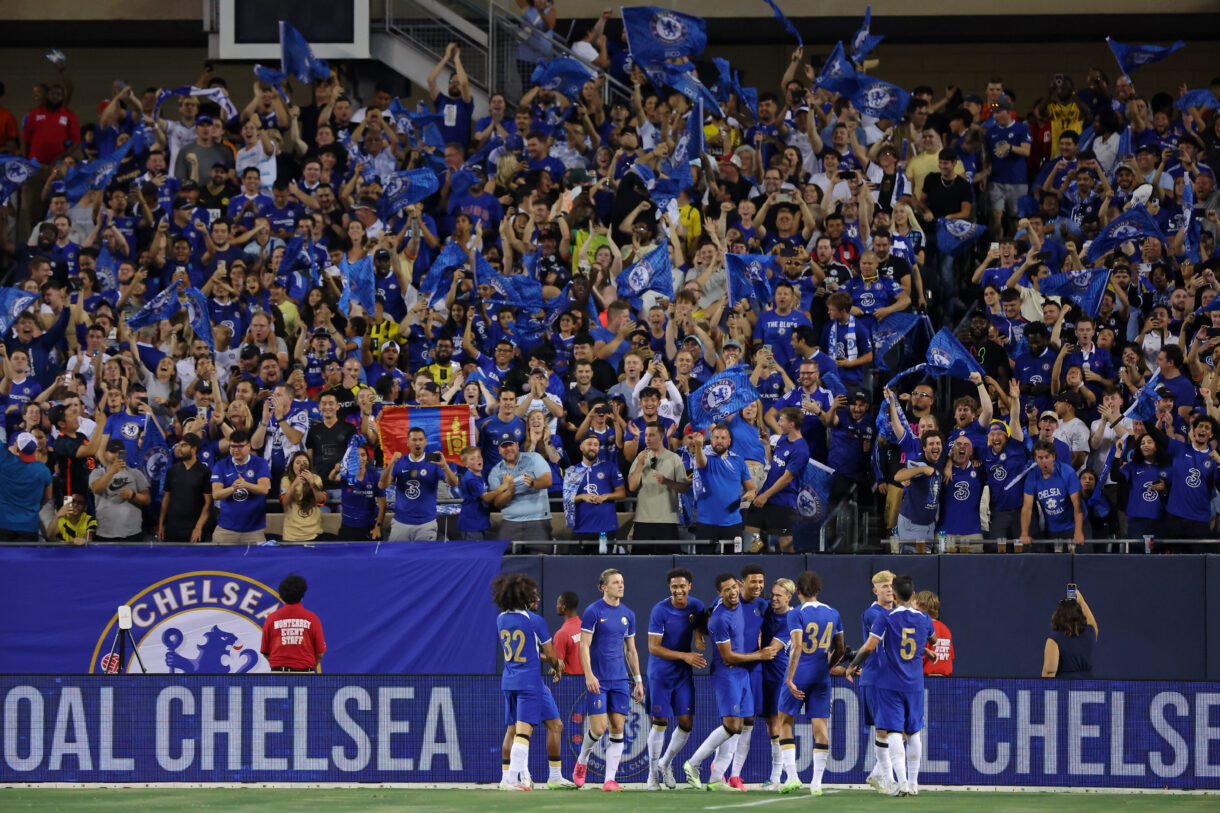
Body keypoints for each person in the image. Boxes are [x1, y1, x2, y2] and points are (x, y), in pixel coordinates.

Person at [683, 572, 776, 791]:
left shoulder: (744, 606)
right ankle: (693, 764)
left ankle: (716, 779)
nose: (732, 592)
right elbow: (728, 657)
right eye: (727, 590)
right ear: (719, 594)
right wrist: (759, 655)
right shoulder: (719, 617)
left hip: (743, 673)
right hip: (727, 674)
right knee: (732, 725)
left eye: (734, 587)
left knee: (740, 726)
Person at [846, 574, 936, 797]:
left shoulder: (886, 617)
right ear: (913, 595)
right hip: (914, 682)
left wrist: (852, 665)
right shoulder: (924, 618)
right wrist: (923, 647)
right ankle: (914, 784)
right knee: (914, 732)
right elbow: (932, 639)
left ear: (894, 595)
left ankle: (902, 781)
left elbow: (869, 646)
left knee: (893, 731)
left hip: (889, 681)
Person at [491, 572, 574, 791]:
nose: (538, 599)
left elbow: (529, 652)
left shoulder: (501, 619)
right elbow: (551, 653)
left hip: (513, 681)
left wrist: (547, 660)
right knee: (522, 732)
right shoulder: (535, 621)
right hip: (529, 684)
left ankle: (554, 777)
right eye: (534, 596)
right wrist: (557, 666)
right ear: (523, 598)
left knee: (555, 724)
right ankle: (510, 781)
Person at [574, 569, 645, 792]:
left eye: (622, 582)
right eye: (615, 582)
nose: (621, 586)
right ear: (604, 587)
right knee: (598, 728)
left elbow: (631, 651)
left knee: (618, 728)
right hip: (598, 680)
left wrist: (638, 680)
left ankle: (609, 781)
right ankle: (582, 759)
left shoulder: (628, 615)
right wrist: (589, 674)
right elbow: (584, 645)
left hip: (620, 680)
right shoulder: (593, 611)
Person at [777, 570, 845, 796]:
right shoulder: (833, 612)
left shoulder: (796, 613)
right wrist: (827, 667)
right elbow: (841, 649)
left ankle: (793, 777)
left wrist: (789, 677)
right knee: (821, 728)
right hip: (821, 676)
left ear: (796, 591)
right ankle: (816, 783)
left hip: (799, 673)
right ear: (818, 590)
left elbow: (796, 645)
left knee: (784, 722)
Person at [645, 568, 707, 790]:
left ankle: (665, 763)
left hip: (683, 673)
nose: (678, 591)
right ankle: (652, 775)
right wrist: (686, 655)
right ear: (669, 588)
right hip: (661, 672)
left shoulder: (697, 606)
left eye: (682, 586)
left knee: (686, 723)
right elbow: (653, 647)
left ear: (689, 586)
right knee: (660, 722)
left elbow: (699, 624)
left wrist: (698, 636)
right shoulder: (659, 610)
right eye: (674, 587)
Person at [744, 407, 810, 553]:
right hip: (766, 498)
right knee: (750, 536)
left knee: (785, 545)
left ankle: (790, 574)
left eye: (781, 420)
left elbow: (787, 478)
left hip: (783, 503)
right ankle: (751, 567)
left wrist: (765, 495)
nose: (778, 423)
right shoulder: (782, 439)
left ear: (791, 424)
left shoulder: (801, 449)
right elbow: (773, 462)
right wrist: (767, 445)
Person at [380, 427, 460, 541]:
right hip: (401, 522)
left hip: (426, 523)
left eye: (420, 439)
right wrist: (391, 463)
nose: (417, 443)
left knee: (423, 558)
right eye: (414, 440)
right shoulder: (399, 461)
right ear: (407, 442)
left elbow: (454, 483)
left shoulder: (433, 460)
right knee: (397, 558)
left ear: (425, 442)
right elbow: (382, 486)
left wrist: (445, 466)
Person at [858, 569, 895, 791]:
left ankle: (877, 773)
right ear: (875, 590)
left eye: (891, 586)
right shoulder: (873, 614)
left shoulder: (897, 612)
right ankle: (887, 779)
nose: (889, 590)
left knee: (897, 730)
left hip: (893, 679)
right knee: (883, 729)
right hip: (876, 678)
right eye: (884, 587)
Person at [688, 425, 757, 544]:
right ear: (711, 439)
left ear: (729, 441)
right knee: (703, 562)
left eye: (723, 438)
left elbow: (751, 488)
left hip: (733, 523)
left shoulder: (738, 460)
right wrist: (699, 446)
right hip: (706, 523)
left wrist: (751, 493)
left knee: (733, 562)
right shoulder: (703, 456)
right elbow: (701, 463)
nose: (719, 441)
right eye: (716, 437)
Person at [759, 577, 795, 791]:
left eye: (778, 596)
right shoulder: (766, 609)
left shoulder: (792, 619)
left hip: (778, 676)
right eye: (772, 594)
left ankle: (776, 777)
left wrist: (736, 656)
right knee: (764, 724)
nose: (773, 599)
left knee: (777, 725)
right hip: (760, 673)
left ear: (789, 598)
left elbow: (771, 651)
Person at [627, 421, 689, 542]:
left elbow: (684, 488)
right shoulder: (640, 458)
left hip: (667, 521)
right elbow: (632, 487)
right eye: (645, 435)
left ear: (661, 436)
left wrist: (666, 481)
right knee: (641, 559)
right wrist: (640, 464)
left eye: (651, 435)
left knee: (668, 559)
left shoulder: (674, 458)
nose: (647, 439)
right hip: (643, 520)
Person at [210, 429, 273, 544]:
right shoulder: (221, 465)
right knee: (221, 562)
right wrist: (232, 488)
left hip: (254, 531)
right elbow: (216, 494)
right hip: (226, 530)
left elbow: (264, 490)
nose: (235, 450)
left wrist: (246, 485)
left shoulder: (260, 463)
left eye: (240, 446)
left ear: (248, 446)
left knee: (257, 562)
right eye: (232, 446)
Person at [487, 435, 553, 542]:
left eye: (511, 445)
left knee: (539, 556)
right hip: (510, 521)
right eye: (504, 446)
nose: (508, 449)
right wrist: (510, 489)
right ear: (499, 450)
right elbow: (497, 502)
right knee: (504, 555)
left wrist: (533, 482)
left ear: (517, 446)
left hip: (537, 518)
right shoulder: (495, 472)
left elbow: (547, 481)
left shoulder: (534, 458)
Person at [1020, 439, 1084, 549]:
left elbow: (1077, 505)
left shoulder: (1067, 472)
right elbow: (1027, 508)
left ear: (1053, 456)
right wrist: (1024, 533)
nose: (1044, 461)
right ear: (1035, 459)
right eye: (1040, 458)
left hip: (1074, 524)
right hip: (1052, 527)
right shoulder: (1032, 477)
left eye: (1047, 457)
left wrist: (1078, 531)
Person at [260, 574, 326, 673]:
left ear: (281, 595)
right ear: (302, 594)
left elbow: (265, 652)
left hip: (278, 675)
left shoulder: (271, 618)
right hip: (305, 675)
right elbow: (320, 654)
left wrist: (279, 669)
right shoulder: (312, 618)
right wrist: (307, 669)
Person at [89, 438, 151, 541]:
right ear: (105, 453)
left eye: (120, 452)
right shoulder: (98, 473)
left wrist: (133, 495)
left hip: (132, 533)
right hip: (105, 533)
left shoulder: (135, 473)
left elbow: (147, 499)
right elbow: (95, 489)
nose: (117, 454)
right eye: (113, 451)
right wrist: (111, 471)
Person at [159, 432, 212, 542]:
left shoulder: (205, 472)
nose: (179, 448)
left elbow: (208, 504)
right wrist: (161, 524)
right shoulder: (172, 470)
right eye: (179, 445)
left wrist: (198, 527)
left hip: (193, 530)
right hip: (172, 528)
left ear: (193, 449)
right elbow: (166, 499)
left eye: (184, 446)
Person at [0, 432, 53, 541]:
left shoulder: (4, 461)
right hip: (29, 526)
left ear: (17, 448)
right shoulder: (43, 470)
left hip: (3, 524)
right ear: (35, 448)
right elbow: (48, 496)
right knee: (25, 558)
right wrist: (35, 506)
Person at [1042, 587, 1099, 678]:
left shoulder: (1054, 640)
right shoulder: (1090, 633)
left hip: (1065, 688)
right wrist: (1082, 602)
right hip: (1089, 687)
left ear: (1058, 616)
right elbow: (1093, 623)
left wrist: (1043, 690)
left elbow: (1049, 672)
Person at [279, 451, 329, 542]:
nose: (301, 466)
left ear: (309, 465)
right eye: (297, 463)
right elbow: (284, 503)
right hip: (292, 535)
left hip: (314, 533)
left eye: (305, 463)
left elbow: (321, 501)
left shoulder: (316, 478)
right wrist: (294, 484)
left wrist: (312, 483)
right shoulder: (286, 480)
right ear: (292, 465)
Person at [915, 591, 954, 676]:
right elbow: (950, 657)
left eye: (916, 606)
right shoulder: (945, 629)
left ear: (922, 608)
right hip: (946, 680)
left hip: (926, 680)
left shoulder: (921, 627)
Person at [553, 591, 584, 675]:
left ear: (563, 607)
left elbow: (558, 665)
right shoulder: (585, 628)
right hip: (590, 683)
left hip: (571, 684)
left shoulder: (561, 634)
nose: (556, 606)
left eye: (558, 604)